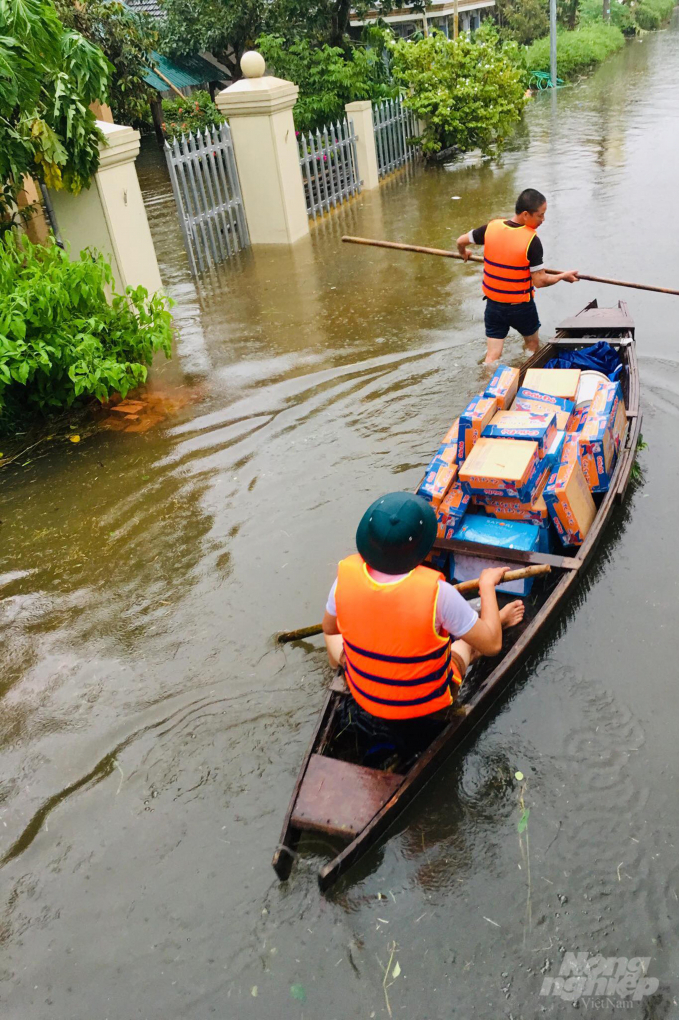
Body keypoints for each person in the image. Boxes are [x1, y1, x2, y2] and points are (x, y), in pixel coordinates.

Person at [321, 492, 524, 751]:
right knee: (467, 644)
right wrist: (486, 585)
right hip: (423, 711)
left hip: (366, 697)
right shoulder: (439, 593)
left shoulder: (344, 579)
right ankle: (498, 619)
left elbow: (330, 627)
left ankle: (342, 676)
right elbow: (493, 645)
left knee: (331, 636)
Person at [455, 189, 580, 364]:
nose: (543, 220)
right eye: (540, 216)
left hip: (493, 306)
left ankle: (487, 386)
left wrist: (464, 252)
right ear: (526, 214)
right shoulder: (532, 241)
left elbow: (461, 241)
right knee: (532, 345)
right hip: (520, 308)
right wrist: (562, 276)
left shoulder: (491, 227)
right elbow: (540, 281)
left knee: (492, 356)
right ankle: (525, 375)